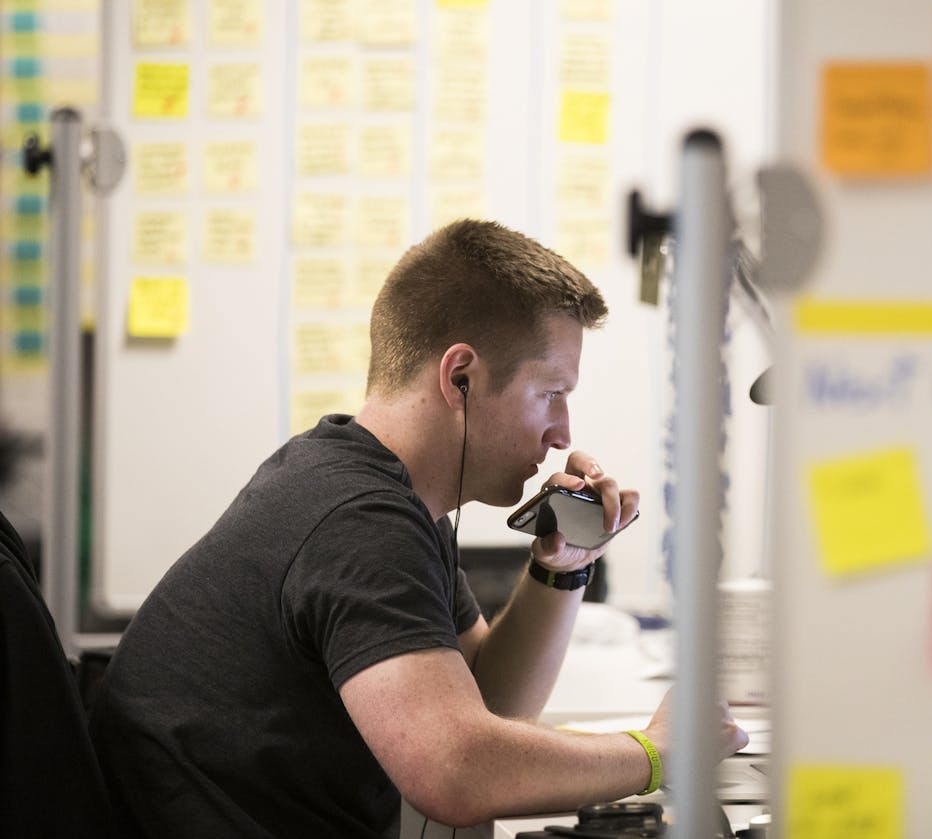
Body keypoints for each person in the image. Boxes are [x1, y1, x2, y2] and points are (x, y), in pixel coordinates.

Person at [89, 219, 749, 837]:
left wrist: (564, 562)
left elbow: (487, 701)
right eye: (550, 393)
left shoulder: (377, 493)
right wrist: (656, 753)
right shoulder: (359, 521)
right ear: (459, 377)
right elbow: (457, 768)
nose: (562, 433)